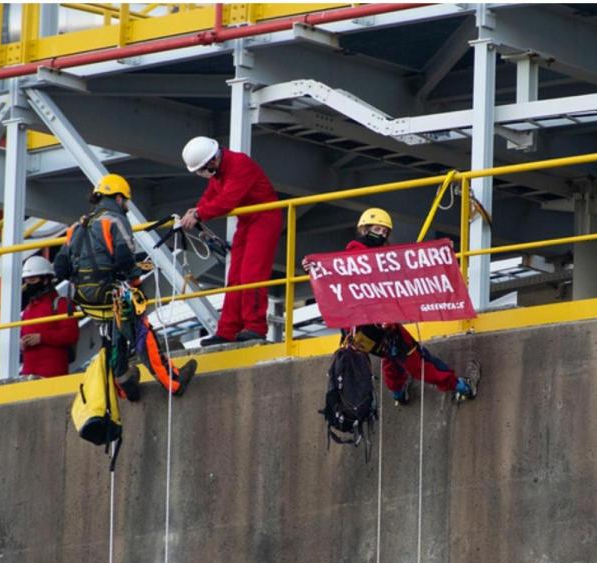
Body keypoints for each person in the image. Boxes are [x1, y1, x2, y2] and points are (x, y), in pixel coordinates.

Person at [304, 208, 480, 405]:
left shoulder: (369, 258)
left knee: (392, 355)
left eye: (385, 232)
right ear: (364, 229)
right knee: (417, 360)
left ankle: (398, 392)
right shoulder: (358, 258)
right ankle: (460, 386)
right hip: (374, 324)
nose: (381, 234)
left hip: (361, 332)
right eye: (377, 229)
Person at [54, 173, 196, 400]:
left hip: (87, 299)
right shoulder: (116, 221)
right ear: (119, 198)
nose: (126, 206)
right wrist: (136, 283)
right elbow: (124, 259)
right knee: (142, 333)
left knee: (113, 337)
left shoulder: (77, 227)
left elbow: (60, 268)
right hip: (113, 293)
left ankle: (124, 385)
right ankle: (173, 381)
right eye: (125, 201)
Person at [178, 137, 283, 346]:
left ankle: (255, 326)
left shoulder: (239, 164)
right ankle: (227, 329)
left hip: (265, 218)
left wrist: (200, 214)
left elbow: (227, 201)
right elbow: (211, 196)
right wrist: (197, 209)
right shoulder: (221, 170)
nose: (201, 174)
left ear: (211, 162)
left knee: (252, 274)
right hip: (248, 221)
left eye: (201, 170)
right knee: (235, 277)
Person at [19, 255, 79, 378]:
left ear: (46, 280)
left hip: (53, 374)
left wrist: (42, 338)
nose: (29, 284)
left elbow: (71, 335)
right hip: (28, 374)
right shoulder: (28, 308)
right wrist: (22, 343)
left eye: (33, 280)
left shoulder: (60, 303)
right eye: (27, 280)